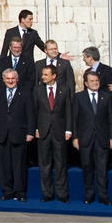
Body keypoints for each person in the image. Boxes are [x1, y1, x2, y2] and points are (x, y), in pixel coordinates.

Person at [0, 69, 36, 201]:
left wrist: (30, 132)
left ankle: (20, 192)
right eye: (8, 79)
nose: (10, 81)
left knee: (19, 165)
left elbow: (31, 114)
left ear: (17, 79)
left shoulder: (25, 93)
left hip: (19, 134)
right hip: (2, 134)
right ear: (3, 80)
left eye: (13, 78)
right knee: (4, 165)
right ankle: (7, 191)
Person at [74, 70, 112, 204]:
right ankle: (89, 195)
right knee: (87, 168)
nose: (95, 83)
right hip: (85, 139)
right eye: (92, 81)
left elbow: (111, 119)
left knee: (102, 169)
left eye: (97, 81)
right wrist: (75, 137)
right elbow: (74, 119)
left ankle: (104, 196)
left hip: (102, 138)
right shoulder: (78, 97)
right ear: (86, 83)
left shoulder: (106, 96)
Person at [34, 65, 72, 203]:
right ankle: (47, 194)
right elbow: (35, 111)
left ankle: (62, 195)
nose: (43, 77)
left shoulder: (64, 89)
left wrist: (68, 129)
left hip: (59, 131)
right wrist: (35, 129)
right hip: (43, 131)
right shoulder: (38, 90)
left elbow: (68, 110)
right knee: (45, 164)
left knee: (60, 163)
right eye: (42, 74)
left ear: (54, 76)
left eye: (45, 74)